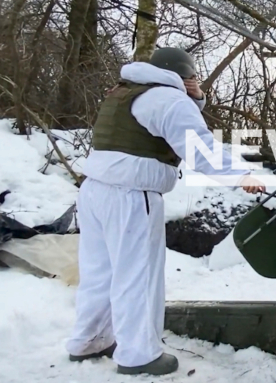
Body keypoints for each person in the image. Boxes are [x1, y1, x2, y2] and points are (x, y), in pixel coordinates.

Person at [65, 48, 265, 375]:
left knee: (100, 273)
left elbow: (165, 122)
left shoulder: (128, 91)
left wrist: (196, 99)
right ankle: (139, 355)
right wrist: (241, 175)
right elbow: (199, 148)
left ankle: (89, 340)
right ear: (184, 77)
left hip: (95, 190)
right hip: (131, 197)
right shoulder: (171, 101)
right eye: (193, 78)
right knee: (138, 277)